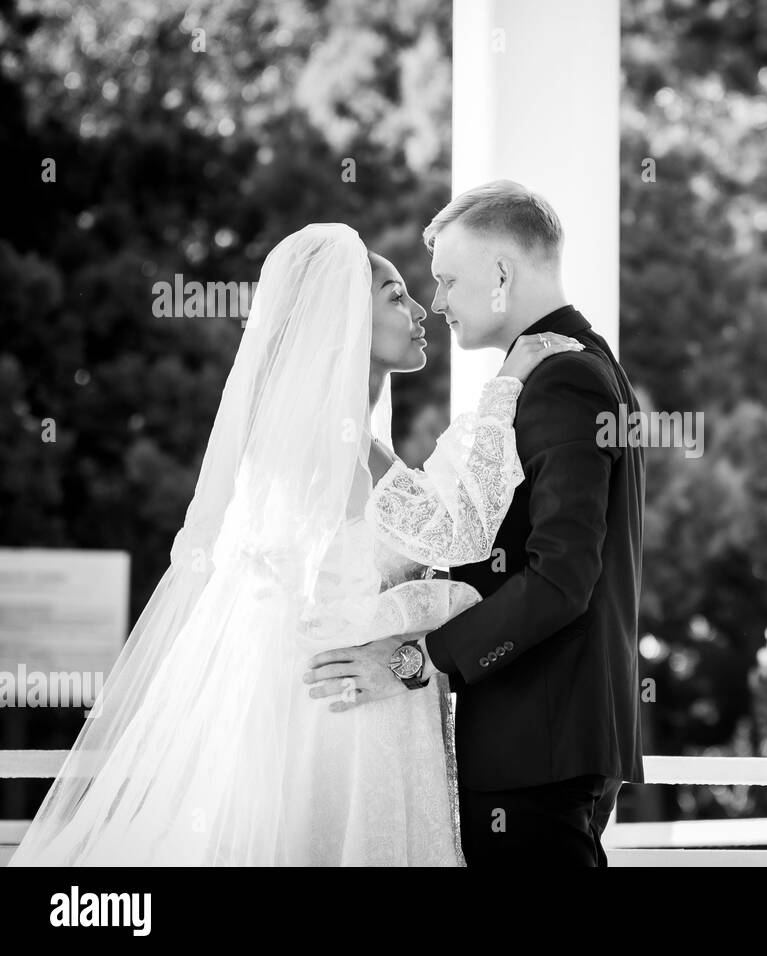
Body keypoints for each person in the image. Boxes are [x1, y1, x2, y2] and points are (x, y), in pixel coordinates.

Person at [10, 222, 580, 865]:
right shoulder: (331, 447)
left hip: (343, 711)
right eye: (395, 296)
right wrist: (502, 393)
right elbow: (458, 528)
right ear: (344, 323)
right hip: (340, 726)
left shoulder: (345, 443)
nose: (421, 308)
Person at [309, 182, 647, 866]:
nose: (436, 303)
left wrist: (418, 661)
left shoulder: (562, 380)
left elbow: (560, 578)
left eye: (446, 280)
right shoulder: (558, 373)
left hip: (539, 746)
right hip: (525, 742)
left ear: (500, 275)